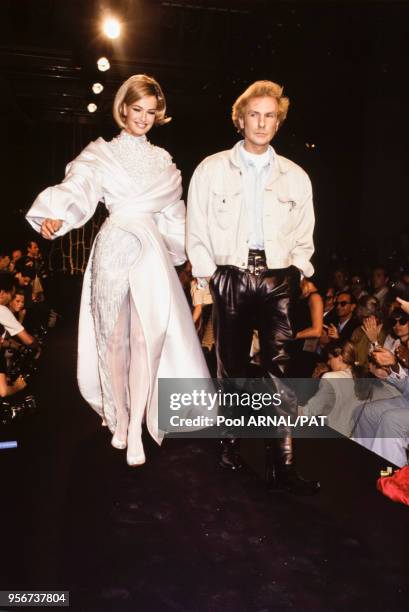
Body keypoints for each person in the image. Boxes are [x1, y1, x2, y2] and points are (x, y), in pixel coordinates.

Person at [26, 74, 209, 466]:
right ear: (123, 108)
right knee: (115, 339)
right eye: (137, 109)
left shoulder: (164, 161)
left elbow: (175, 215)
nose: (143, 117)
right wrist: (56, 216)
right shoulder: (100, 153)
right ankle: (120, 419)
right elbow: (79, 186)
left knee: (146, 339)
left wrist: (191, 252)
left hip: (150, 251)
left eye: (151, 112)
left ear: (158, 116)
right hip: (112, 246)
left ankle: (140, 426)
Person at [187, 79, 319, 494]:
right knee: (233, 369)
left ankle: (282, 466)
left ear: (278, 123)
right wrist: (214, 276)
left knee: (280, 372)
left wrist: (295, 271)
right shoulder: (210, 169)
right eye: (254, 114)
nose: (261, 123)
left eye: (270, 116)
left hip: (279, 279)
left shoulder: (295, 176)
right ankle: (229, 452)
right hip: (231, 276)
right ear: (240, 119)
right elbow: (197, 228)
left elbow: (305, 232)